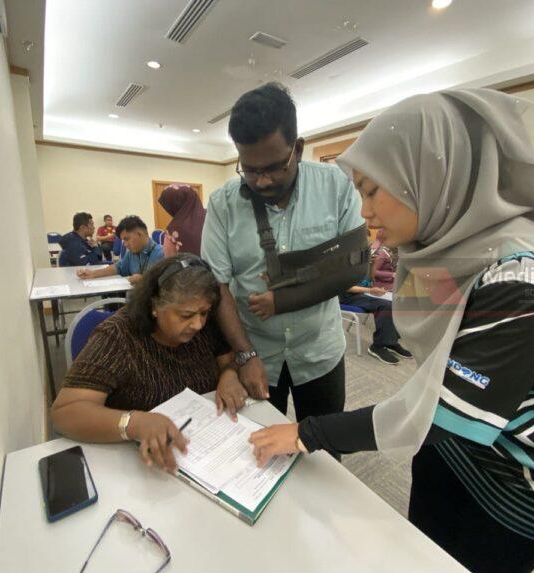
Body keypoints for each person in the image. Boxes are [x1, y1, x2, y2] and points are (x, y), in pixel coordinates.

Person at [248, 89, 534, 573]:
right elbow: (438, 367)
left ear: (428, 175)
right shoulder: (445, 248)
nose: (364, 212)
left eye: (372, 190)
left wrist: (308, 431)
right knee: (421, 527)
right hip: (472, 435)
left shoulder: (526, 276)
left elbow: (444, 411)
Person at [201, 83, 365, 442]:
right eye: (249, 170)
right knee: (254, 451)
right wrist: (245, 354)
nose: (262, 181)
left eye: (275, 168)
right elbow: (217, 286)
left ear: (298, 149)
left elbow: (354, 266)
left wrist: (285, 298)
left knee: (323, 450)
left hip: (319, 351)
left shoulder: (335, 185)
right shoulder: (223, 203)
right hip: (256, 351)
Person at [52, 254, 249, 473]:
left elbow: (228, 361)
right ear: (155, 305)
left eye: (204, 313)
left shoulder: (206, 326)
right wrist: (133, 423)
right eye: (186, 315)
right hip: (133, 463)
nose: (198, 324)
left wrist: (229, 376)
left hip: (202, 451)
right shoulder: (118, 336)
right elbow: (64, 413)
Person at [339, 274, 412, 364]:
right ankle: (378, 346)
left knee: (393, 304)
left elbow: (368, 279)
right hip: (345, 298)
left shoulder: (362, 267)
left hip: (359, 294)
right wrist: (370, 290)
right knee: (386, 306)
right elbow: (343, 287)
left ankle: (390, 342)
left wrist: (373, 287)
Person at [77, 215, 163, 283]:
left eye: (126, 239)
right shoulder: (132, 253)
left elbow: (166, 287)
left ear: (139, 234)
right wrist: (92, 273)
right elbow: (118, 268)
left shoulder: (162, 254)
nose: (125, 244)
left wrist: (144, 280)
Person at [158, 184, 206, 257]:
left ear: (175, 205)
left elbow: (170, 259)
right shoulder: (211, 216)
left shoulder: (173, 230)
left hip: (191, 265)